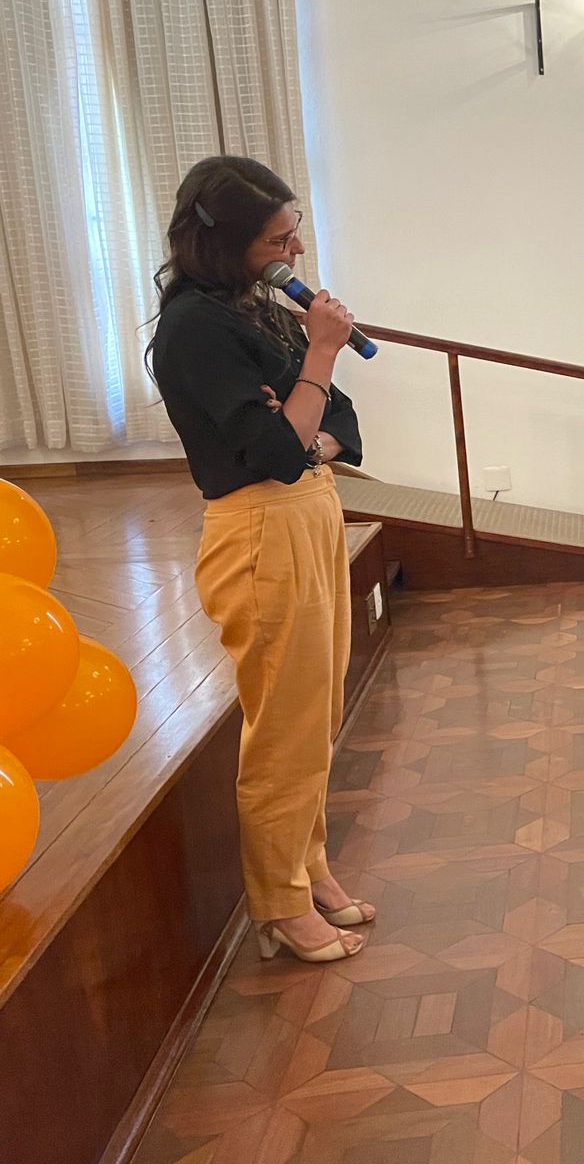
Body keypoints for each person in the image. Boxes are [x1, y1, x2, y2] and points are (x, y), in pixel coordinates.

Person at [149, 156, 371, 963]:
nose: (297, 251)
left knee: (317, 716)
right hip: (259, 531)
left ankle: (308, 867)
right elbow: (275, 449)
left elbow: (339, 421)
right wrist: (317, 365)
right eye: (279, 240)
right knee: (284, 728)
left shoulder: (254, 309)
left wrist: (307, 414)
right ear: (226, 242)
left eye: (294, 232)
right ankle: (278, 903)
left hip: (310, 511)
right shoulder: (194, 329)